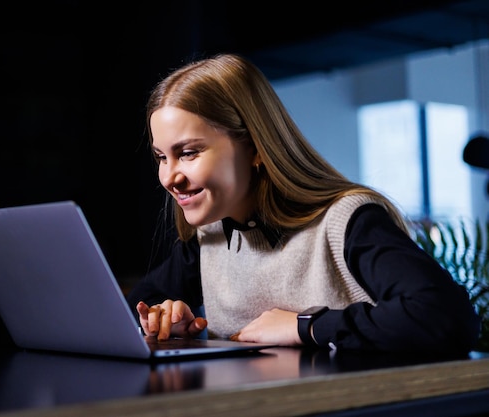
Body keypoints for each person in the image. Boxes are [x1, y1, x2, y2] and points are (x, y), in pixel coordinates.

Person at [126, 53, 481, 354]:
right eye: (161, 157)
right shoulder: (210, 235)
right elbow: (124, 313)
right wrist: (163, 318)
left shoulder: (348, 221)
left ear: (254, 148)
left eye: (188, 153)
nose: (169, 177)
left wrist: (305, 326)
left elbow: (448, 316)